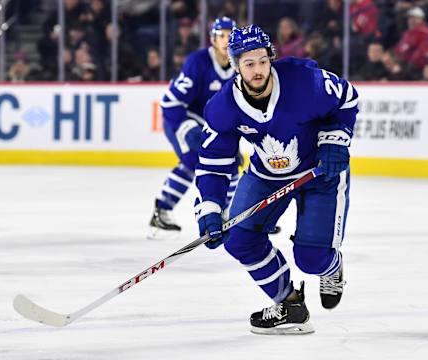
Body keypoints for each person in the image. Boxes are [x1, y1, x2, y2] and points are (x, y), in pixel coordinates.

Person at [194, 25, 359, 335]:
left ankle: (331, 267)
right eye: (248, 63)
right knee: (240, 240)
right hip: (266, 176)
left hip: (319, 174)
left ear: (270, 58)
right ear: (236, 65)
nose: (258, 70)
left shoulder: (304, 81)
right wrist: (210, 208)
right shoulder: (222, 108)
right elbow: (214, 165)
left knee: (311, 260)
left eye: (262, 61)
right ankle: (290, 304)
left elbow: (347, 99)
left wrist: (336, 139)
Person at [149, 16, 238, 238]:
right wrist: (187, 129)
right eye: (221, 36)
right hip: (180, 118)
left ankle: (224, 213)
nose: (226, 40)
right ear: (212, 39)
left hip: (211, 125)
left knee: (232, 164)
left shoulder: (240, 65)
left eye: (230, 35)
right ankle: (162, 210)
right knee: (192, 161)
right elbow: (171, 102)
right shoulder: (198, 62)